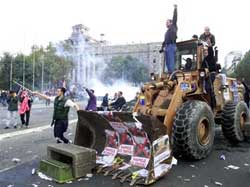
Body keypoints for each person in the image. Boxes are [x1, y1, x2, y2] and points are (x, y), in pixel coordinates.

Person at [160, 4, 178, 74]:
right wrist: (162, 48)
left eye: (167, 22)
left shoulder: (173, 27)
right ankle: (170, 74)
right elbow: (164, 41)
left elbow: (175, 18)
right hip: (167, 47)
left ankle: (173, 75)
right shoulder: (167, 32)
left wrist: (175, 9)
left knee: (171, 62)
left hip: (171, 46)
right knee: (167, 63)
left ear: (171, 23)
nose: (166, 24)